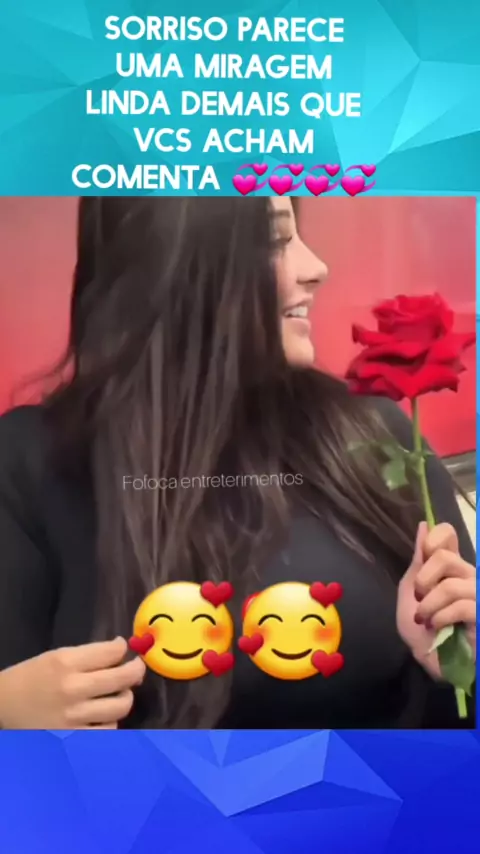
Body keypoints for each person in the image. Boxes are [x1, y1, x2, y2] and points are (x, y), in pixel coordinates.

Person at [0, 196, 475, 730]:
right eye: (275, 240)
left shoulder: (373, 439)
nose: (316, 268)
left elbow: (455, 736)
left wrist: (458, 673)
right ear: (178, 262)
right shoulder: (28, 464)